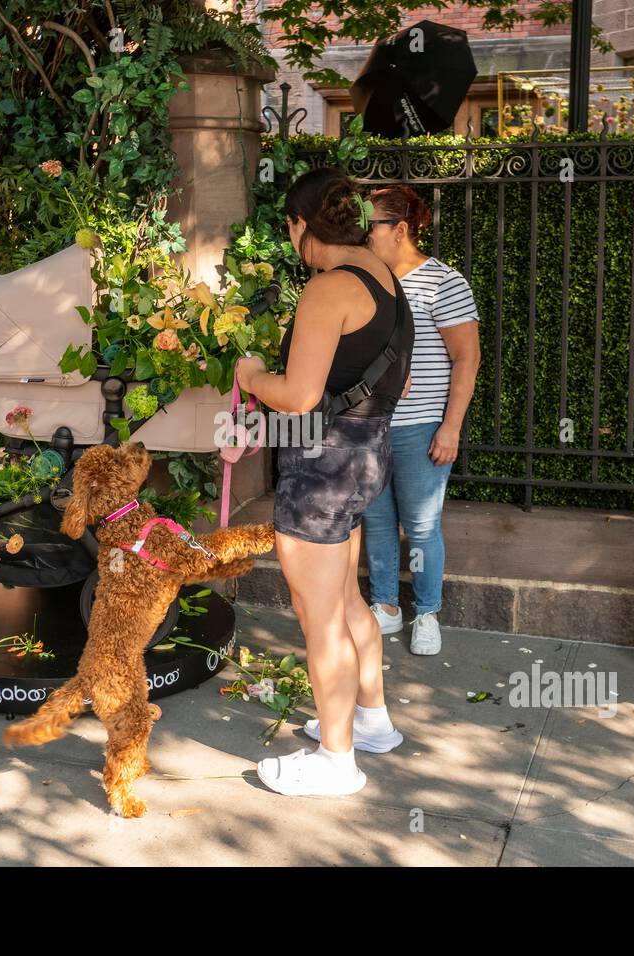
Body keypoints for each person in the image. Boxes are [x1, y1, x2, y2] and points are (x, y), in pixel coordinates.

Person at [235, 167, 413, 797]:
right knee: (345, 600)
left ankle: (336, 762)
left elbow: (298, 396)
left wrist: (253, 373)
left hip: (321, 465)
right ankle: (372, 722)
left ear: (300, 224)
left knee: (319, 618)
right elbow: (403, 384)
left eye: (289, 229)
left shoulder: (327, 288)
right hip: (369, 455)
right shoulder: (388, 279)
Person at [361, 185, 480, 655]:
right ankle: (387, 607)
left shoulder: (443, 282)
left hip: (421, 426)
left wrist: (451, 427)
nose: (364, 234)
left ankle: (427, 613)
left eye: (371, 225)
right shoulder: (367, 281)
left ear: (400, 229)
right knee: (377, 520)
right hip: (370, 422)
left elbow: (466, 359)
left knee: (422, 525)